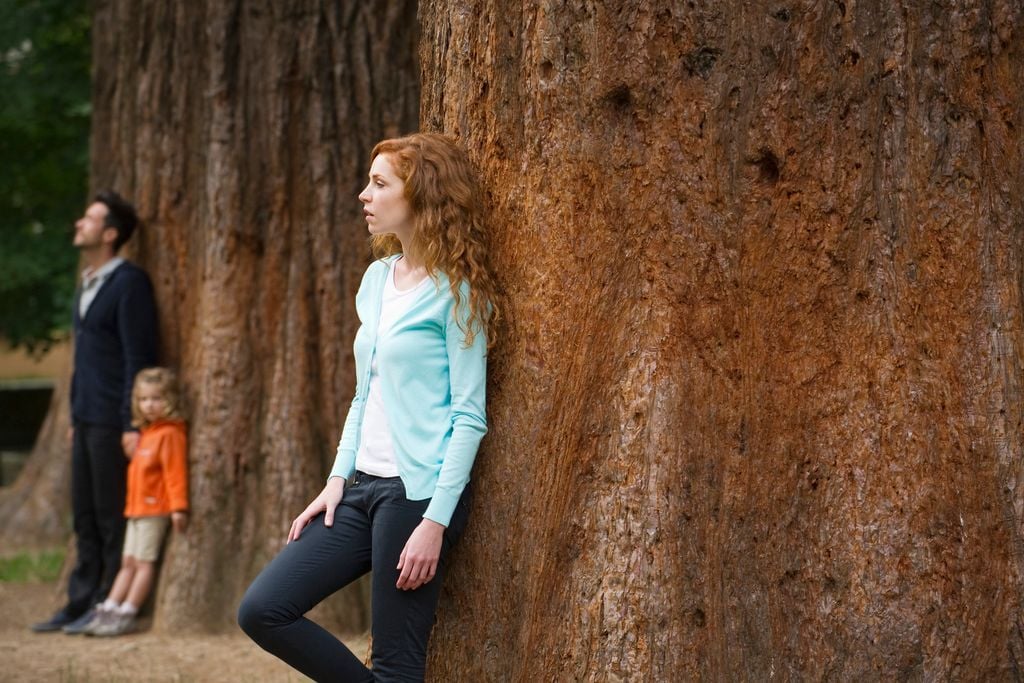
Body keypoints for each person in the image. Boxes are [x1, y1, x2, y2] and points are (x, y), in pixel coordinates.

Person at [238, 132, 499, 682]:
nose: (364, 194)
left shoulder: (459, 294)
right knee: (263, 610)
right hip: (359, 488)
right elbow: (365, 393)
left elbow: (469, 416)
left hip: (417, 496)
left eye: (379, 184)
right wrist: (336, 479)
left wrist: (435, 520)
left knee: (396, 666)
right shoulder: (376, 280)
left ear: (421, 195)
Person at [32, 191, 159, 634]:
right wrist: (72, 416)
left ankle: (107, 599)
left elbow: (136, 356)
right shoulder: (88, 281)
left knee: (109, 516)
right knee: (83, 515)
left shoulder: (128, 282)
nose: (78, 225)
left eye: (88, 220)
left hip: (112, 421)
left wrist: (130, 424)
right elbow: (83, 360)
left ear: (109, 234)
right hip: (85, 418)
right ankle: (78, 601)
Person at [79, 367, 189, 637]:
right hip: (136, 510)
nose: (149, 405)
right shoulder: (147, 434)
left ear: (171, 400)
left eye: (156, 398)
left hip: (156, 510)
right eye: (143, 399)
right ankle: (110, 607)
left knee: (143, 563)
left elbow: (175, 474)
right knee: (127, 561)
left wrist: (178, 507)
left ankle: (128, 611)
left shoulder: (170, 434)